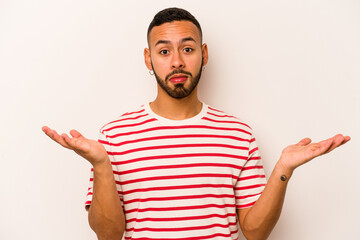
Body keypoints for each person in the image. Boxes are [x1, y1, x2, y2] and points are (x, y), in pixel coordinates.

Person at [42, 7, 350, 240]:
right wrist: (101, 165)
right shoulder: (114, 136)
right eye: (164, 51)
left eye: (187, 49)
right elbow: (107, 235)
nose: (176, 61)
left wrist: (283, 170)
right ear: (149, 60)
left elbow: (255, 231)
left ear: (203, 55)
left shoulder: (237, 134)